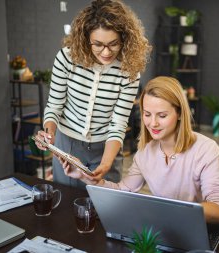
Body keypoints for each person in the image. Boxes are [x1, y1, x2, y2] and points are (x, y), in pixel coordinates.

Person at [61, 76, 219, 229]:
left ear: (179, 113)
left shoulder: (206, 149)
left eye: (162, 116)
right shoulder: (145, 153)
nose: (153, 123)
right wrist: (83, 175)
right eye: (147, 114)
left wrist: (165, 211)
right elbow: (122, 192)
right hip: (177, 229)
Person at [36, 0, 152, 188]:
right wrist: (48, 135)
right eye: (98, 44)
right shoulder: (67, 58)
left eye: (114, 44)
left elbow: (118, 124)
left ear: (124, 38)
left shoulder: (129, 70)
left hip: (106, 148)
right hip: (68, 145)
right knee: (65, 205)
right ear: (85, 38)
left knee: (104, 209)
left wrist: (105, 164)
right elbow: (54, 107)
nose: (106, 52)